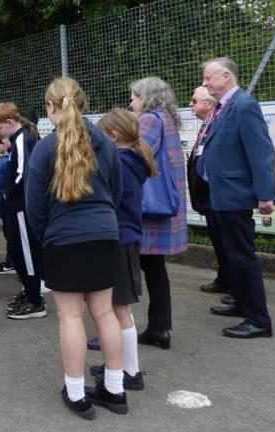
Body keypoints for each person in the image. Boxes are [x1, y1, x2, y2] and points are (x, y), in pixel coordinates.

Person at [25, 78, 125, 419]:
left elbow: (34, 206)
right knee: (105, 312)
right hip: (104, 234)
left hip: (64, 238)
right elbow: (117, 191)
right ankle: (115, 389)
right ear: (83, 105)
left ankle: (77, 392)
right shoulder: (106, 145)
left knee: (70, 316)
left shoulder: (44, 148)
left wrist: (47, 236)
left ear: (51, 108)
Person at [201, 57, 275, 338]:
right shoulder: (224, 107)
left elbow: (261, 151)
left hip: (235, 196)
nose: (205, 83)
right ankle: (242, 306)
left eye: (209, 78)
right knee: (232, 256)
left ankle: (259, 320)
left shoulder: (244, 106)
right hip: (221, 195)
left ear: (226, 78)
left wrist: (266, 193)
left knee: (243, 257)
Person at [86, 108, 159, 391]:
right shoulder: (132, 160)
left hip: (117, 241)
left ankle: (130, 371)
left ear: (113, 136)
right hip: (124, 240)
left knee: (118, 309)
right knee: (118, 308)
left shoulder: (120, 163)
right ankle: (122, 366)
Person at [129, 77, 187, 349]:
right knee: (155, 268)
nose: (131, 101)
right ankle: (159, 328)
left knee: (125, 268)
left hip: (147, 209)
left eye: (134, 96)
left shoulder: (150, 121)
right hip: (163, 205)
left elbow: (135, 155)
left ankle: (120, 329)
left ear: (147, 97)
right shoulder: (168, 119)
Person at [0, 102, 47, 319]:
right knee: (16, 251)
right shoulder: (16, 141)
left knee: (27, 254)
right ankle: (28, 291)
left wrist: (8, 192)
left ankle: (35, 301)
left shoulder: (23, 139)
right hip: (15, 208)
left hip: (21, 208)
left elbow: (24, 173)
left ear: (10, 122)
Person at [186, 87, 230, 301]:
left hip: (221, 194)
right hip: (209, 196)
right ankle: (225, 279)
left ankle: (238, 288)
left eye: (194, 100)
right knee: (218, 239)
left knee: (229, 242)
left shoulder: (220, 124)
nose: (190, 104)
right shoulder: (208, 124)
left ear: (209, 103)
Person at [0, 134, 15, 275]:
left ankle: (11, 262)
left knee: (10, 235)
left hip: (5, 204)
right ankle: (10, 260)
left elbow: (3, 184)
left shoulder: (7, 161)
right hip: (2, 204)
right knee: (8, 234)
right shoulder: (5, 160)